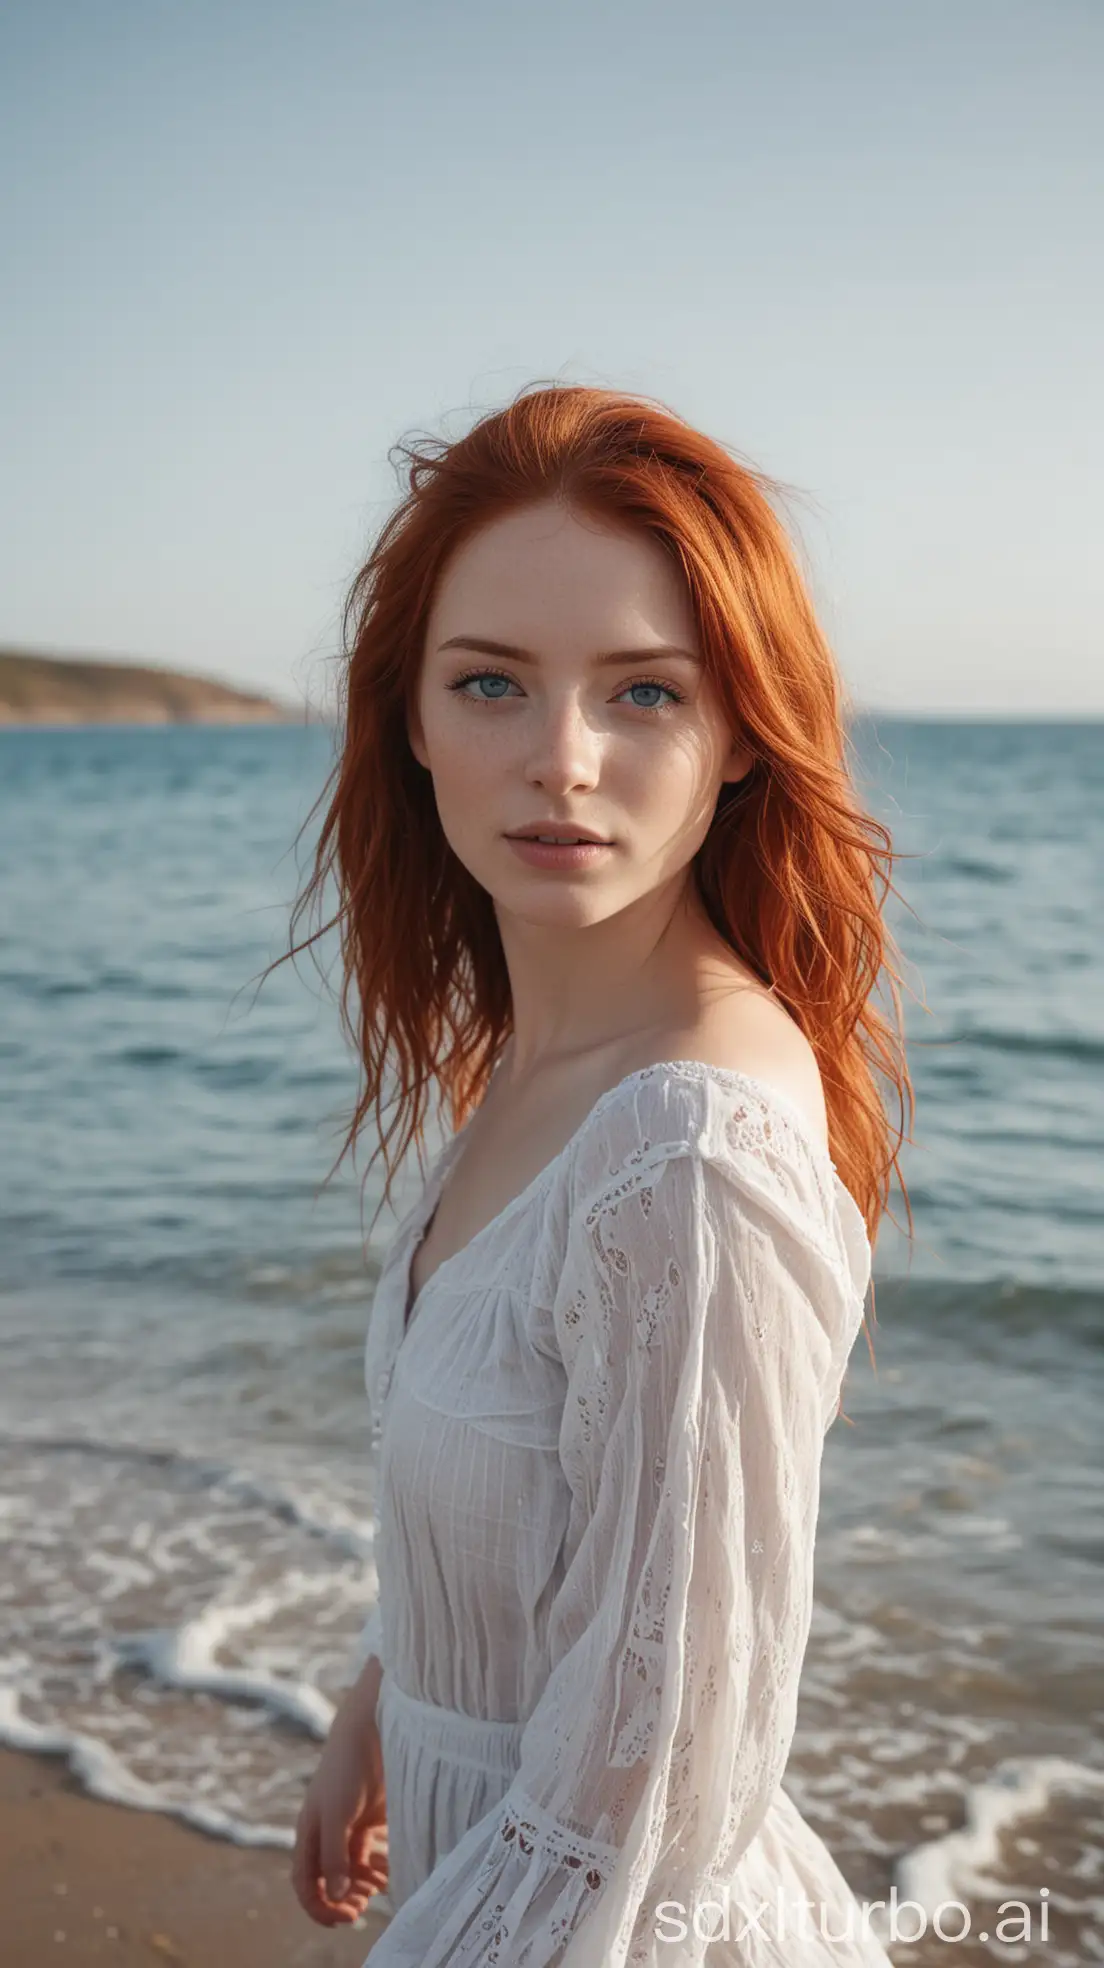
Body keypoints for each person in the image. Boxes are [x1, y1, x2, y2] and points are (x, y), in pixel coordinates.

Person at [287, 384, 912, 1964]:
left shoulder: (686, 1148)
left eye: (643, 694)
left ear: (742, 739)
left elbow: (646, 1807)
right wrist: (391, 1694)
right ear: (411, 721)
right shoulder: (544, 1072)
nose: (560, 760)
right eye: (491, 681)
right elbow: (548, 1512)